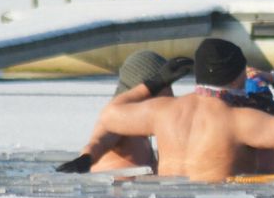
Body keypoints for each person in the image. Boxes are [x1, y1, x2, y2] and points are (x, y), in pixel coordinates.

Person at [92, 38, 274, 183]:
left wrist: (154, 83)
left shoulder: (164, 111)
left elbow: (110, 115)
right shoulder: (238, 120)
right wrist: (270, 105)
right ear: (238, 77)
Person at [55, 50, 193, 175]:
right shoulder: (119, 120)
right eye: (162, 94)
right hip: (113, 197)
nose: (170, 101)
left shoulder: (142, 131)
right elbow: (99, 141)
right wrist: (86, 159)